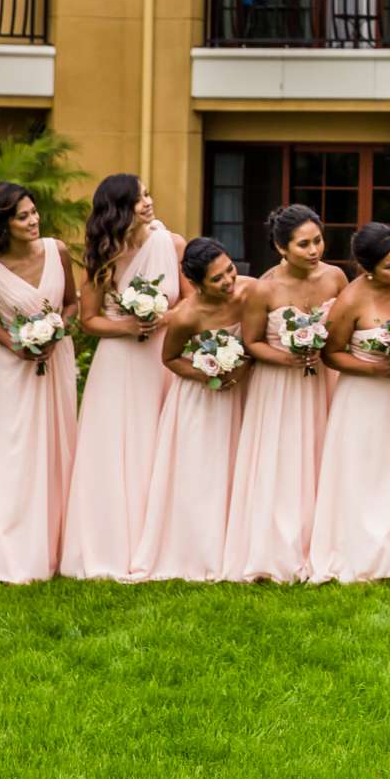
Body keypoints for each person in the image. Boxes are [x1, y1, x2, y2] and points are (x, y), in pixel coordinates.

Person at [61, 174, 185, 581]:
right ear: (118, 210)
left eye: (147, 194)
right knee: (112, 448)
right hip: (117, 362)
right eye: (137, 199)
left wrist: (159, 319)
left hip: (163, 356)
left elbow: (191, 303)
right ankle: (109, 543)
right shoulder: (103, 255)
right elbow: (90, 320)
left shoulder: (173, 244)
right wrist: (130, 328)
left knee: (158, 443)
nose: (147, 203)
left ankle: (162, 541)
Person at [222, 204, 345, 582]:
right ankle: (275, 548)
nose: (314, 250)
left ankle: (326, 543)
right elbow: (251, 342)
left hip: (322, 380)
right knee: (283, 459)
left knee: (323, 456)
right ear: (281, 248)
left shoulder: (337, 278)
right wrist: (285, 356)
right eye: (304, 244)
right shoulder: (263, 289)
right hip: (278, 386)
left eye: (318, 241)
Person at [308, 224, 390, 582]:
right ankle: (360, 549)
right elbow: (331, 354)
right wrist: (372, 369)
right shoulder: (351, 300)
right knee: (366, 470)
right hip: (362, 398)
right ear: (367, 269)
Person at [0, 181, 78, 584]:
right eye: (23, 216)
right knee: (17, 453)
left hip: (58, 361)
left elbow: (72, 303)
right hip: (16, 368)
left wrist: (56, 331)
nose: (33, 221)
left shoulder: (58, 251)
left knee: (59, 443)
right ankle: (13, 549)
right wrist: (17, 345)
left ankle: (61, 543)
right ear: (3, 224)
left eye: (34, 212)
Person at [133, 238, 255, 580]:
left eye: (230, 270)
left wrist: (241, 368)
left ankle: (240, 545)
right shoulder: (188, 315)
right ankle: (199, 550)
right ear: (198, 285)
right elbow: (169, 358)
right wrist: (208, 373)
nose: (229, 281)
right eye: (217, 279)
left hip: (241, 391)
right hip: (201, 400)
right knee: (203, 471)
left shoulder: (250, 291)